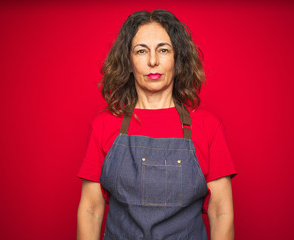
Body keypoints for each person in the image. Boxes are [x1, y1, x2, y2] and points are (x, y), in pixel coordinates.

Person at [77, 9, 237, 240]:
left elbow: (220, 211)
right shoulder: (103, 125)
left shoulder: (208, 126)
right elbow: (90, 210)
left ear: (177, 58)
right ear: (129, 62)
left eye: (163, 50)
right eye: (141, 51)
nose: (153, 61)